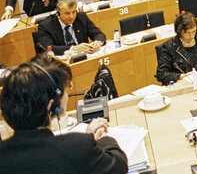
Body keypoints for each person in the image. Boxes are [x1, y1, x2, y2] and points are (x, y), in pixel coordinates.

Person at [0, 55, 128, 174]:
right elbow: (118, 165)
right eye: (65, 90)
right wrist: (102, 140)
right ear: (51, 105)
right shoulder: (78, 147)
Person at [36, 0, 105, 55]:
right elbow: (49, 48)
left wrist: (98, 42)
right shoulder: (46, 26)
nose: (72, 16)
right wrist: (73, 49)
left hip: (84, 57)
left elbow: (98, 34)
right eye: (67, 13)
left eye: (74, 12)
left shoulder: (81, 17)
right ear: (58, 13)